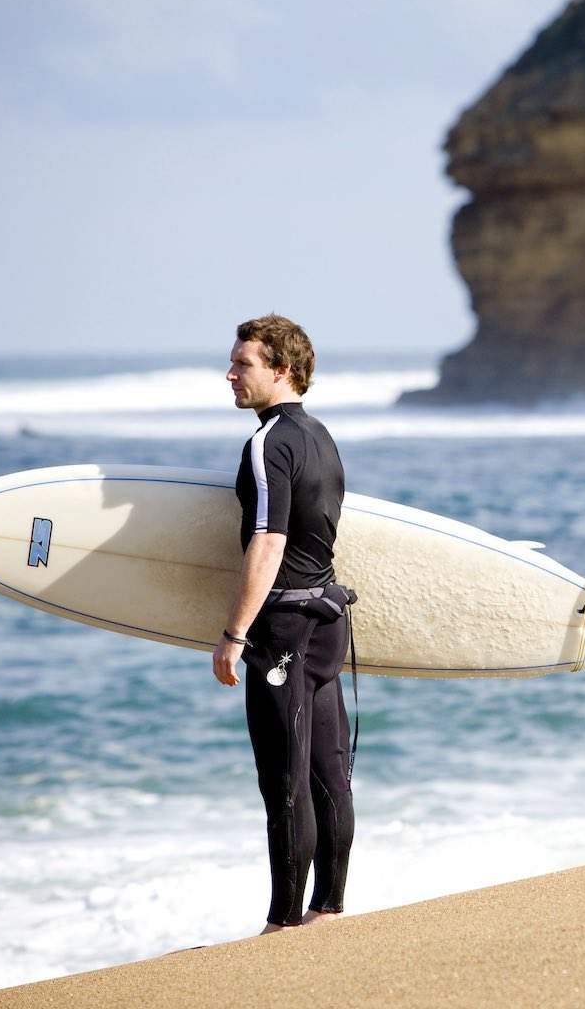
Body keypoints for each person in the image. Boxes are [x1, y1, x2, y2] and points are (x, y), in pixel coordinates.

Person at [213, 314, 355, 935]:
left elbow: (269, 541)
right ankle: (328, 908)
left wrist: (234, 633)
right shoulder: (322, 436)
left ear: (282, 371)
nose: (231, 374)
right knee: (329, 770)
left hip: (284, 633)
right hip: (327, 620)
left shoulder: (268, 442)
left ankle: (281, 922)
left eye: (243, 364)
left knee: (286, 780)